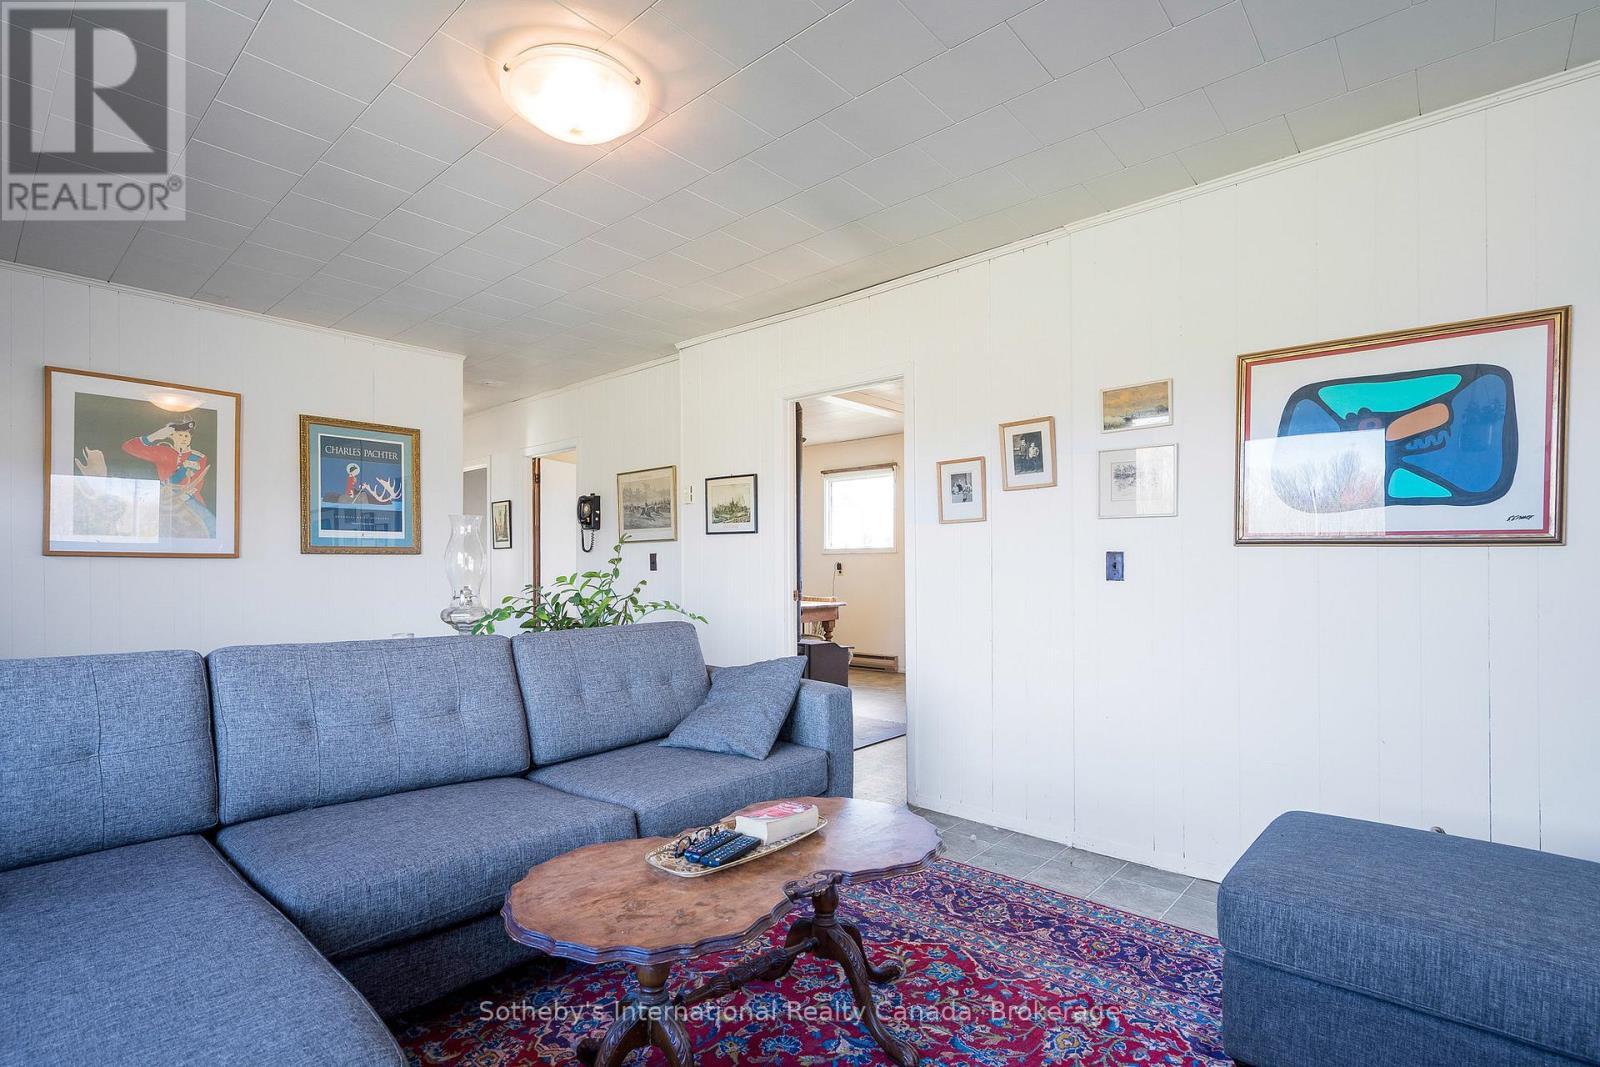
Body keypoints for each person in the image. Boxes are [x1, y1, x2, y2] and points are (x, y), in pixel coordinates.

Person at [122, 417, 215, 538]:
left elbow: (198, 482)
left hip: (189, 498)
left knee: (211, 525)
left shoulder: (199, 457)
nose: (184, 439)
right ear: (171, 436)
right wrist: (154, 436)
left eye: (187, 436)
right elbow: (129, 447)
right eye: (180, 435)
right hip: (165, 496)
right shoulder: (162, 452)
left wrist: (183, 496)